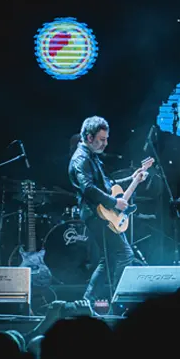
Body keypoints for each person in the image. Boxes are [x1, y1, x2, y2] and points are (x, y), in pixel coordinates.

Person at [68, 116, 150, 306]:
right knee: (125, 255)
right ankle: (120, 302)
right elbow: (88, 188)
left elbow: (107, 185)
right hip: (96, 215)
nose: (106, 143)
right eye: (102, 139)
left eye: (106, 139)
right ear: (89, 137)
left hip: (101, 213)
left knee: (108, 259)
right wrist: (114, 203)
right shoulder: (81, 159)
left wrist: (132, 178)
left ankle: (87, 302)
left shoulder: (91, 157)